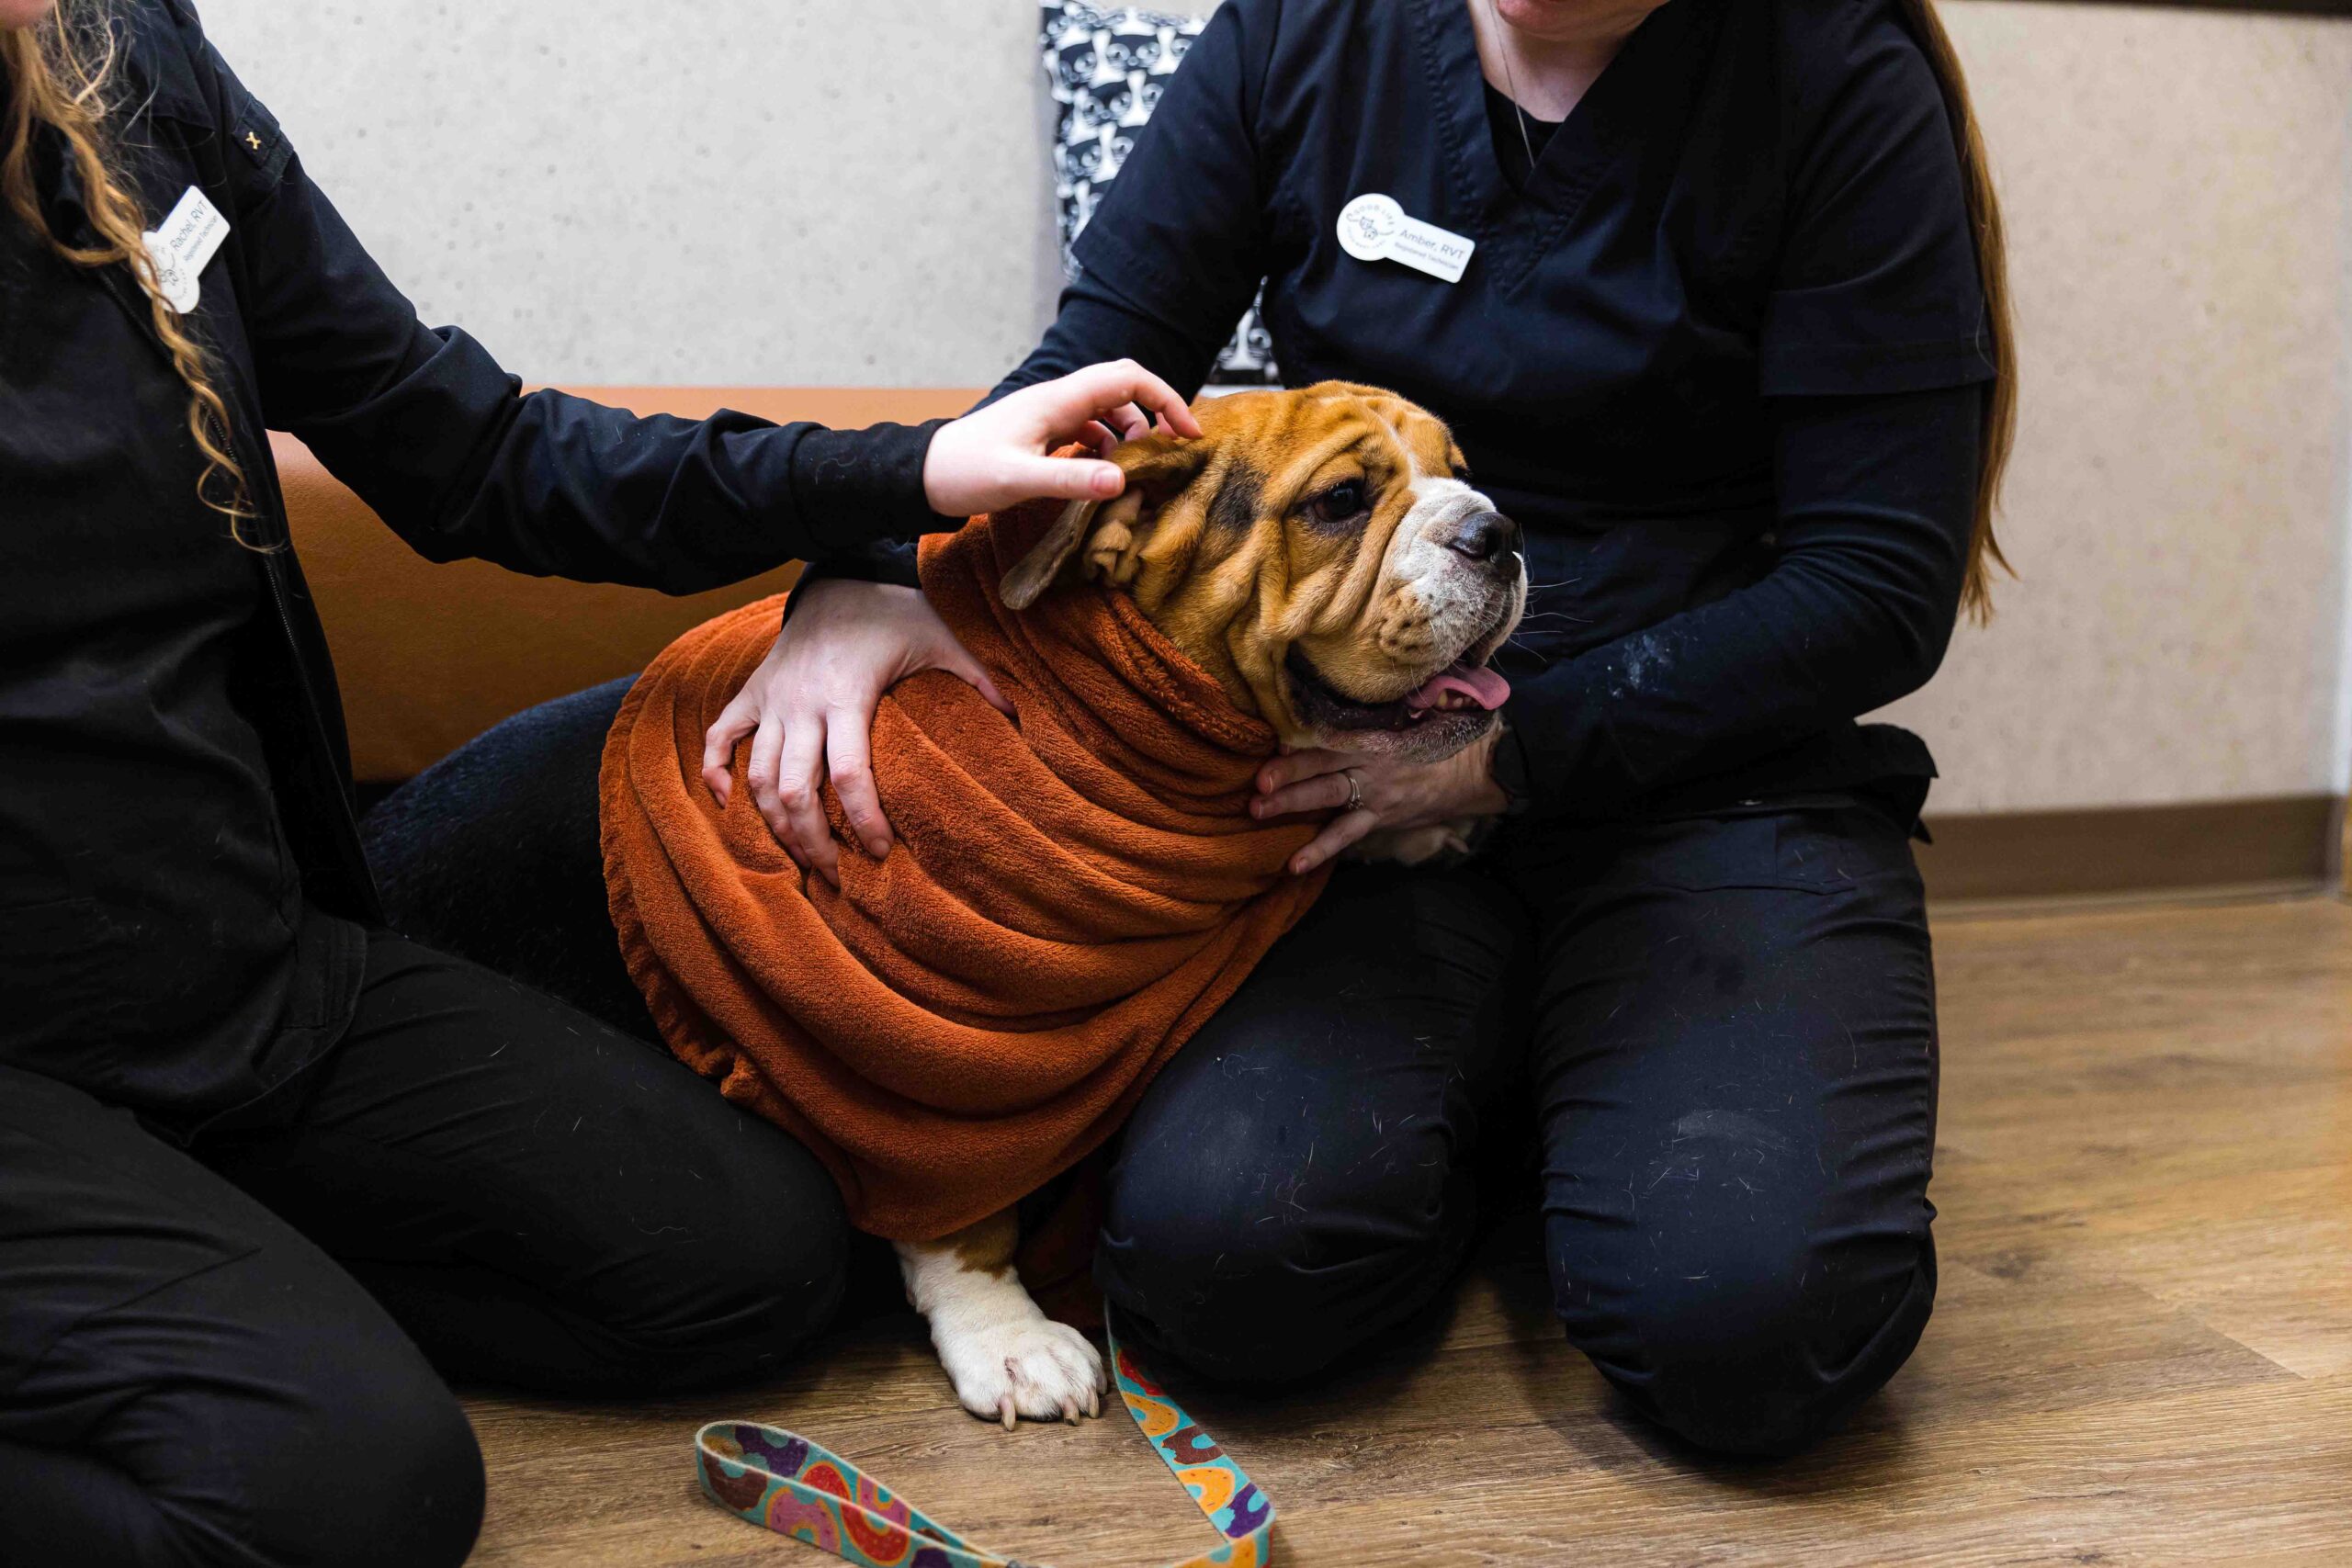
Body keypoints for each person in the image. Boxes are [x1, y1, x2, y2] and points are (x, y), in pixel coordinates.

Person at [699, 0, 2014, 1459]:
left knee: (1753, 1333)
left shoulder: (1834, 75)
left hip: (1712, 783)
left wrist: (1500, 759)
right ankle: (1552, 1107)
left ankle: (1612, 1111)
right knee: (1224, 1275)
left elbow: (1879, 587)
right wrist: (869, 565)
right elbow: (1093, 381)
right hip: (1353, 796)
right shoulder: (1302, 33)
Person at [0, 0, 1196, 1562]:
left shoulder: (125, 56)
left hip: (235, 978)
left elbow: (471, 448)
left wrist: (904, 475)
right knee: (351, 1495)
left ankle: (212, 1303)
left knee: (753, 1267)